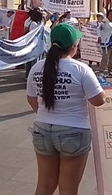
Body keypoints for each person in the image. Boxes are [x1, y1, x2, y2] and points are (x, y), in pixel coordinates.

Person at [26, 23, 106, 195]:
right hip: (74, 130)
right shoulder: (81, 69)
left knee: (44, 186)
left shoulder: (37, 67)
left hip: (42, 128)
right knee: (68, 188)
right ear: (73, 47)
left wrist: (46, 114)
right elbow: (98, 100)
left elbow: (31, 99)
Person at [98, 9, 112, 78]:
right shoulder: (104, 22)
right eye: (111, 14)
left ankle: (110, 71)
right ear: (108, 15)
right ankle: (101, 72)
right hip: (106, 42)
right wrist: (99, 37)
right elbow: (99, 29)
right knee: (105, 58)